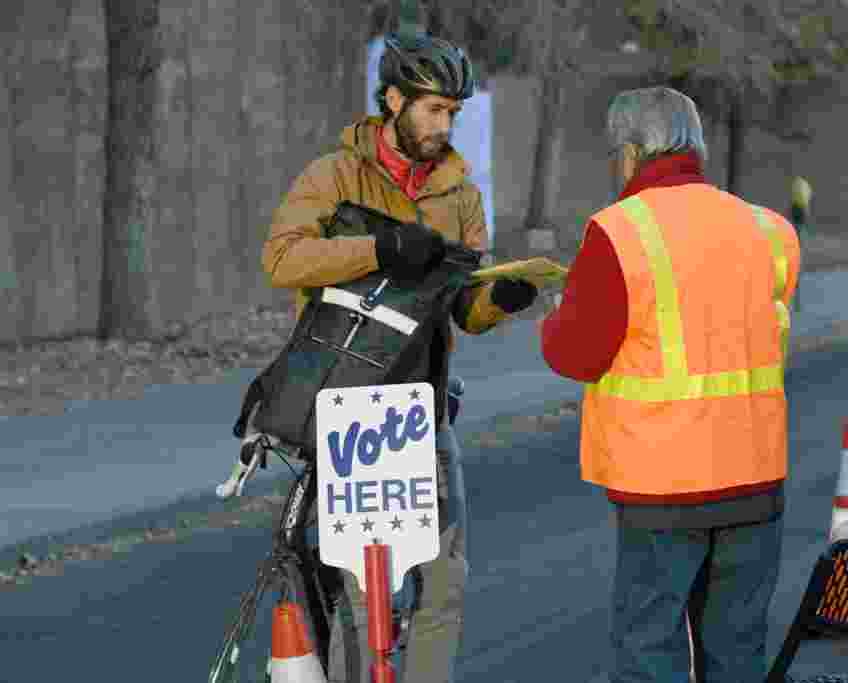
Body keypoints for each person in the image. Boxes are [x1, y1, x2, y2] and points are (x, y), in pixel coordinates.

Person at [261, 32, 539, 683]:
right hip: (348, 412)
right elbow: (282, 257)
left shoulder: (461, 196)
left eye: (453, 112)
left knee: (444, 583)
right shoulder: (333, 175)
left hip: (421, 412)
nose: (446, 125)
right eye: (433, 109)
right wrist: (380, 249)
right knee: (362, 601)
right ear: (393, 99)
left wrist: (502, 297)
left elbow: (463, 312)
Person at [537, 87, 801, 683]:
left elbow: (577, 354)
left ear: (630, 154)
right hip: (755, 478)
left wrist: (555, 318)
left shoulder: (618, 231)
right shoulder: (770, 230)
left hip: (664, 490)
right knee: (737, 653)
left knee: (648, 652)